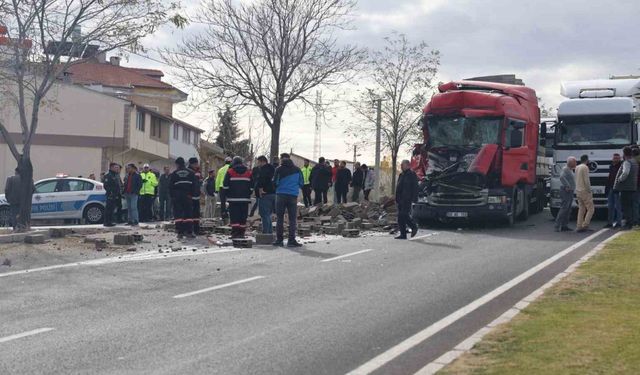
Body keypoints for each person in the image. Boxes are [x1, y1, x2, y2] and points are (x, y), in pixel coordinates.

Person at [273, 153, 303, 247]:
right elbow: (301, 183)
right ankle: (291, 240)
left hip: (281, 195)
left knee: (280, 218)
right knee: (292, 219)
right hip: (293, 196)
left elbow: (275, 182)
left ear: (282, 160)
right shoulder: (298, 169)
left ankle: (279, 240)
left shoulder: (278, 169)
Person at [223, 157, 253, 238]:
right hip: (245, 199)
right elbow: (251, 186)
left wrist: (227, 194)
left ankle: (235, 233)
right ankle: (241, 233)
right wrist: (248, 193)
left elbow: (225, 185)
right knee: (243, 217)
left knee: (234, 217)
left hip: (233, 199)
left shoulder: (230, 172)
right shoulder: (248, 172)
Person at [169, 157, 198, 239]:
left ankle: (180, 232)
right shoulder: (191, 172)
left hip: (177, 197)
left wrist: (172, 197)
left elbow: (170, 187)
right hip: (187, 196)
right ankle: (189, 231)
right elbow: (194, 186)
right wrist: (192, 195)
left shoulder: (174, 173)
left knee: (178, 214)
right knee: (188, 214)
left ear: (177, 164)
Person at [614, 146, 638, 230]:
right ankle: (631, 223)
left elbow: (625, 173)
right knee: (631, 206)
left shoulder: (627, 162)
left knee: (625, 206)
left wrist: (619, 180)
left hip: (625, 188)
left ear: (624, 154)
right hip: (632, 187)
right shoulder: (634, 162)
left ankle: (628, 223)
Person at [395, 160, 419, 239]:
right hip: (400, 199)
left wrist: (414, 199)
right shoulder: (401, 175)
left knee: (404, 214)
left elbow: (415, 187)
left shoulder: (411, 174)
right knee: (400, 217)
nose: (401, 166)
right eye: (401, 165)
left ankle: (414, 226)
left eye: (403, 165)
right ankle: (403, 234)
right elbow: (398, 187)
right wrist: (396, 198)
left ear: (408, 165)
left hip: (407, 199)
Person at [255, 156, 276, 234]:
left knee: (264, 214)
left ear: (262, 161)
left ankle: (266, 233)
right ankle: (269, 232)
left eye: (258, 162)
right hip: (272, 193)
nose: (258, 164)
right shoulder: (272, 169)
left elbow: (262, 180)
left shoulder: (264, 169)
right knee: (268, 214)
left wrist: (260, 189)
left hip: (265, 194)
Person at [555, 157, 576, 232]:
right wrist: (567, 186)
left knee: (568, 209)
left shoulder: (570, 169)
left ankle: (564, 225)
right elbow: (561, 177)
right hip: (566, 191)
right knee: (564, 208)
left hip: (570, 191)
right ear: (570, 162)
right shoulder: (566, 169)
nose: (576, 163)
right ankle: (557, 226)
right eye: (575, 162)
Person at [575, 154, 595, 232]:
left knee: (581, 209)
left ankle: (579, 225)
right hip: (584, 190)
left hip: (578, 190)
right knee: (591, 209)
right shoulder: (585, 167)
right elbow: (586, 180)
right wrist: (589, 190)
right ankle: (585, 225)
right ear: (587, 160)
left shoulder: (577, 167)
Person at [605, 153, 623, 228]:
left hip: (617, 189)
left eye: (617, 158)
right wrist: (607, 188)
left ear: (620, 159)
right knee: (610, 206)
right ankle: (610, 223)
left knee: (618, 206)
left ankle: (619, 223)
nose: (615, 159)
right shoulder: (611, 166)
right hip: (610, 188)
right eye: (614, 158)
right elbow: (609, 178)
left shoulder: (621, 167)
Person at [102, 163, 122, 227]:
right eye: (115, 167)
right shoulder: (108, 175)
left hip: (115, 194)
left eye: (117, 168)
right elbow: (106, 185)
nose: (117, 169)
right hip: (110, 194)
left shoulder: (115, 175)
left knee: (112, 209)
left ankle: (110, 221)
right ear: (111, 167)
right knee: (109, 208)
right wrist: (110, 192)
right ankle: (107, 222)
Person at [188, 157, 203, 234]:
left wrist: (200, 181)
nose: (197, 165)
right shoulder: (188, 171)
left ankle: (197, 229)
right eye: (195, 163)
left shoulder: (198, 171)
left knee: (197, 213)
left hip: (197, 195)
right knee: (190, 213)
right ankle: (190, 229)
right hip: (190, 196)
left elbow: (200, 180)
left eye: (197, 163)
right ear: (191, 164)